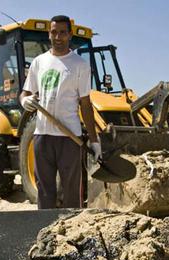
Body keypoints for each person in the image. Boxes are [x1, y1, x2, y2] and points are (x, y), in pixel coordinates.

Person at [20, 15, 101, 209]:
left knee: (71, 192)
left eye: (62, 32)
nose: (58, 37)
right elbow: (25, 92)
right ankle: (46, 234)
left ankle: (72, 233)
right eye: (54, 32)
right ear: (49, 34)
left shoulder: (79, 65)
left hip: (69, 137)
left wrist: (95, 140)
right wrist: (24, 100)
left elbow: (85, 104)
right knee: (45, 191)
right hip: (42, 136)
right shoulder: (39, 62)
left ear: (69, 35)